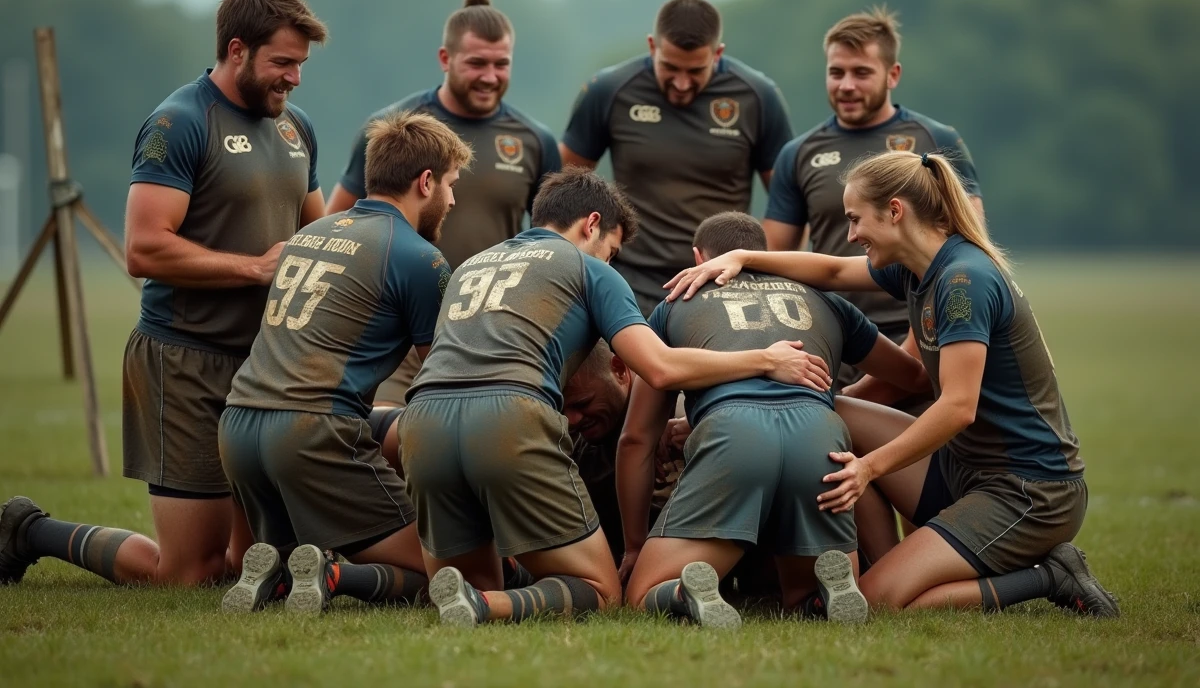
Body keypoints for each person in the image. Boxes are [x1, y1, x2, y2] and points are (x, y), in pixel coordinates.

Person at [665, 151, 1120, 617]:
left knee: (879, 602)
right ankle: (879, 563)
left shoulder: (964, 281)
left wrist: (869, 469)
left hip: (1029, 491)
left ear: (896, 211)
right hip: (965, 471)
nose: (851, 234)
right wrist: (743, 256)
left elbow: (958, 406)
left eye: (855, 220)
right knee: (830, 413)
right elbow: (833, 271)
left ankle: (1050, 576)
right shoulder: (921, 267)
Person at [398, 168, 833, 627]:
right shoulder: (586, 268)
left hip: (423, 417)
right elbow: (659, 367)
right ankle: (491, 606)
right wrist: (764, 359)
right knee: (601, 591)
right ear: (591, 225)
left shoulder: (470, 264)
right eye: (612, 250)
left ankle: (478, 602)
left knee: (474, 581)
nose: (610, 262)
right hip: (508, 412)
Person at [1, 0, 328, 589]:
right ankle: (29, 530)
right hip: (185, 360)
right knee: (189, 574)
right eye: (283, 63)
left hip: (263, 367)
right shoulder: (178, 122)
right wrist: (255, 268)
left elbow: (320, 235)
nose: (295, 79)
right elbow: (144, 248)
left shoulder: (297, 129)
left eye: (301, 65)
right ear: (237, 50)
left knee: (250, 566)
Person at [620, 212, 928, 628]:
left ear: (698, 257)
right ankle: (821, 597)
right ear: (763, 256)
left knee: (642, 594)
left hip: (733, 435)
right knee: (799, 594)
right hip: (819, 434)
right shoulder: (825, 300)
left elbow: (637, 438)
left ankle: (681, 592)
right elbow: (911, 376)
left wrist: (636, 545)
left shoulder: (675, 303)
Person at [217, 111, 471, 614]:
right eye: (450, 185)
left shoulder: (310, 234)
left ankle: (284, 571)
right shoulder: (419, 256)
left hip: (238, 427)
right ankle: (335, 575)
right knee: (449, 574)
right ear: (425, 182)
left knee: (285, 552)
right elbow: (443, 381)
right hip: (311, 433)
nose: (453, 199)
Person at [326, 0, 561, 407]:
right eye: (476, 63)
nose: (490, 76)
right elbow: (336, 224)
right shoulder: (392, 128)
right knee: (392, 449)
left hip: (490, 338)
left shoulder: (535, 140)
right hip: (394, 337)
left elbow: (556, 243)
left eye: (501, 64)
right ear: (445, 59)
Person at [763, 7, 983, 393]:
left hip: (918, 336)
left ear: (892, 74)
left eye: (861, 72)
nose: (846, 85)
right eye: (836, 72)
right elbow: (775, 263)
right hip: (830, 338)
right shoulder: (798, 154)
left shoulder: (936, 141)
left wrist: (915, 348)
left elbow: (968, 247)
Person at [560, 0, 793, 315]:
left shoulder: (758, 97)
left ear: (718, 53)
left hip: (724, 288)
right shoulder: (609, 90)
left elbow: (788, 204)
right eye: (669, 67)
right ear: (653, 46)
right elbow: (564, 190)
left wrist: (763, 276)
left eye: (696, 70)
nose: (681, 83)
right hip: (629, 287)